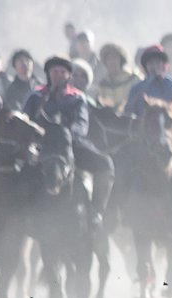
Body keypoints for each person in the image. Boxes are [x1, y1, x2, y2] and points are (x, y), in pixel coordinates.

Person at [23, 56, 114, 229]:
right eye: (55, 71)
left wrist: (65, 135)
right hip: (42, 146)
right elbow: (26, 120)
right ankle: (22, 214)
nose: (58, 75)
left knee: (105, 164)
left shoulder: (77, 98)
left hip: (71, 145)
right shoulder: (36, 96)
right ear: (49, 74)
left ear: (68, 76)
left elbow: (81, 124)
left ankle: (96, 212)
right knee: (19, 170)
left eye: (62, 72)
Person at [125, 45, 172, 137]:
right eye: (150, 63)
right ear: (145, 66)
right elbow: (128, 114)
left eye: (157, 62)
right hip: (141, 137)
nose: (154, 66)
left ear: (164, 64)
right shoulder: (137, 89)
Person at [96, 43, 140, 112]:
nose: (112, 62)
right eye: (109, 58)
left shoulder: (132, 79)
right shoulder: (103, 84)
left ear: (121, 60)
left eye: (115, 58)